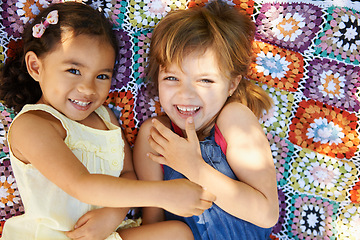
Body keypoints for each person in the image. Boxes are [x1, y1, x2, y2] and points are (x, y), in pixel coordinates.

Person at [0, 2, 216, 239]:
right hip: (55, 235)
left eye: (102, 76)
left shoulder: (105, 118)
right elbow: (81, 185)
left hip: (106, 232)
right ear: (35, 66)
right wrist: (162, 194)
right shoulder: (32, 125)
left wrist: (113, 214)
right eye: (74, 70)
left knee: (177, 233)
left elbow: (128, 174)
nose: (87, 88)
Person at [133, 1, 279, 239]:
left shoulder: (234, 120)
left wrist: (194, 168)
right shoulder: (154, 135)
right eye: (172, 77)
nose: (186, 94)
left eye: (206, 81)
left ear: (231, 85)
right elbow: (153, 223)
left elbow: (267, 213)